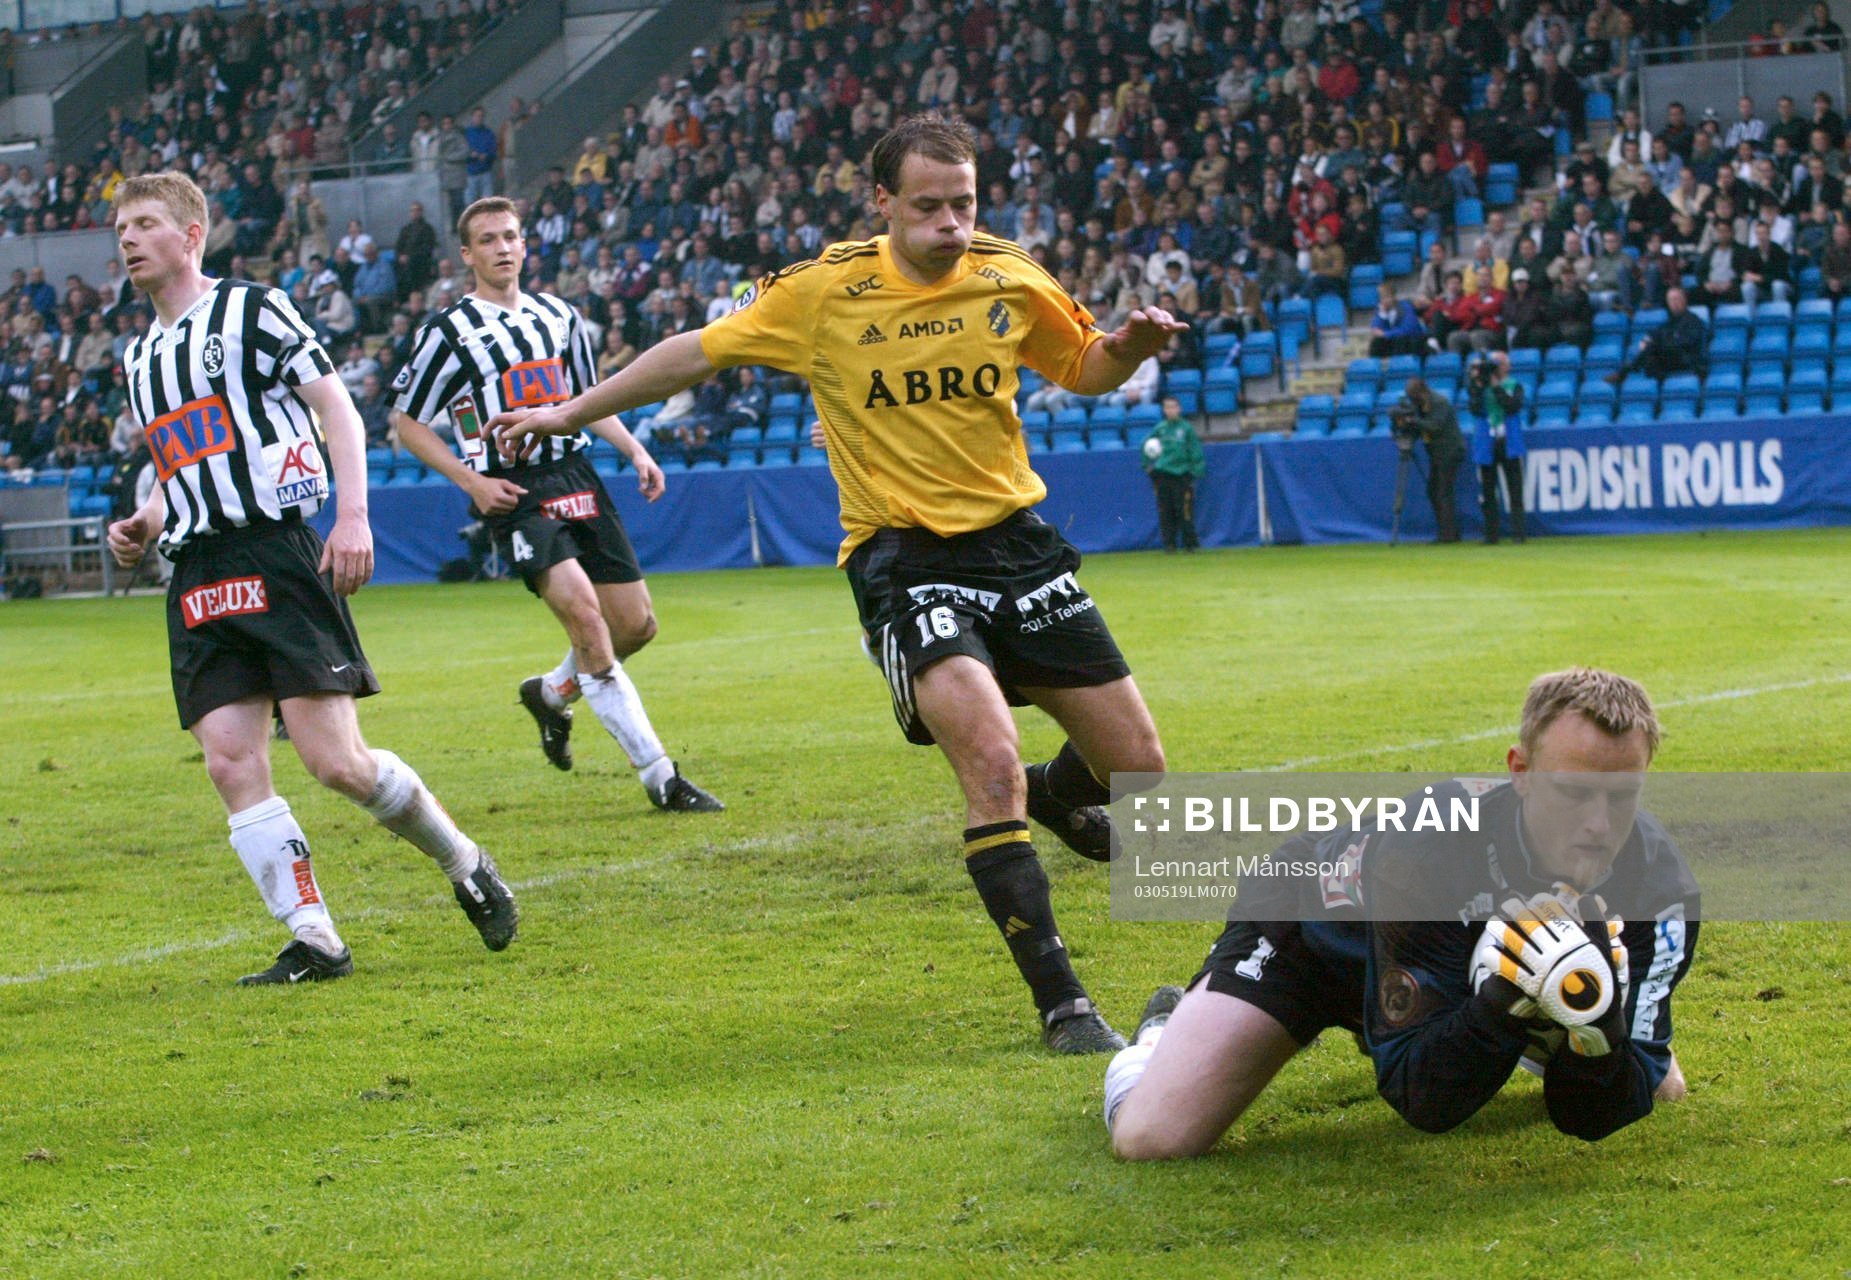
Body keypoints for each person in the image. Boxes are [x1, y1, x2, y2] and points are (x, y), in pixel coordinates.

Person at [492, 113, 1183, 1054]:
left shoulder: (1009, 273)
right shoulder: (823, 291)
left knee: (1138, 769)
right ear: (883, 202)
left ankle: (1057, 796)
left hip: (1017, 545)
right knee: (988, 766)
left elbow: (1083, 366)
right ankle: (1063, 1004)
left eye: (964, 204)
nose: (950, 224)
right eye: (929, 207)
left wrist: (1129, 348)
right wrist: (569, 411)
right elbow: (695, 351)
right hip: (905, 560)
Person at [103, 172, 517, 985]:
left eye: (145, 223)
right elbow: (178, 457)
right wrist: (147, 519)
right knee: (230, 762)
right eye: (121, 228)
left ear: (192, 235)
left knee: (336, 762)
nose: (127, 239)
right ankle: (315, 937)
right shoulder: (141, 354)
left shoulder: (253, 310)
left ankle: (464, 860)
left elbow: (335, 409)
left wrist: (352, 517)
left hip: (275, 552)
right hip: (197, 569)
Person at [1104, 667, 1698, 1159]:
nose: (1598, 824)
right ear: (1520, 772)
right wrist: (1503, 1002)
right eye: (1574, 792)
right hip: (1313, 941)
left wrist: (1600, 1030)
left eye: (1622, 796)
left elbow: (1596, 1115)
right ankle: (1159, 1036)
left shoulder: (1660, 889)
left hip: (1451, 965)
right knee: (1152, 1138)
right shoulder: (1428, 847)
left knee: (1654, 1084)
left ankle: (1540, 1000)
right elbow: (1420, 1094)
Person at [390, 197, 723, 814]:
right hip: (514, 490)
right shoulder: (447, 332)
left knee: (636, 626)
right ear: (467, 255)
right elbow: (406, 424)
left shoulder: (559, 316)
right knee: (589, 624)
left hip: (576, 472)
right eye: (487, 240)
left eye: (510, 236)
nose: (502, 248)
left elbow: (587, 399)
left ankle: (549, 694)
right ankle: (661, 777)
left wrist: (635, 450)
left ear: (525, 244)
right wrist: (471, 483)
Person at [1394, 377, 1466, 543]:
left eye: (1414, 397)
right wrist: (1404, 425)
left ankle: (1448, 534)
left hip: (1450, 450)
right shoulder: (1419, 406)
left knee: (1443, 491)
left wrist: (1413, 420)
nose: (1413, 401)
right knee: (1434, 491)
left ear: (1423, 392)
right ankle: (1449, 531)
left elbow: (1435, 426)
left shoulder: (1439, 402)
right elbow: (1419, 429)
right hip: (1436, 453)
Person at [1470, 351, 1528, 544]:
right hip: (1486, 441)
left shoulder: (1514, 385)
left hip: (1508, 440)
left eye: (1501, 363)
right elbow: (1474, 408)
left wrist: (1496, 387)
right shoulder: (1480, 386)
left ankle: (1518, 533)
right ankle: (1491, 534)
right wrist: (1477, 383)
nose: (1498, 367)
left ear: (1507, 366)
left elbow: (1512, 406)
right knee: (1488, 490)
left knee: (1515, 489)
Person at [1141, 396, 1205, 553]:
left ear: (1179, 409)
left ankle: (1191, 544)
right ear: (1164, 410)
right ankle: (1169, 544)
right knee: (1165, 511)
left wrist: (1196, 471)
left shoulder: (1186, 428)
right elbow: (1145, 446)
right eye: (1167, 407)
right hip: (1163, 474)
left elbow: (1195, 450)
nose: (1170, 410)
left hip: (1182, 474)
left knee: (1184, 510)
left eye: (1173, 407)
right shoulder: (1160, 428)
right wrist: (1147, 466)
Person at [1606, 287, 1708, 383]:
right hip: (1671, 359)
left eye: (1676, 299)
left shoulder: (1693, 320)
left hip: (1687, 359)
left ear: (1684, 300)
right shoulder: (1670, 322)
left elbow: (1687, 342)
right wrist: (1647, 340)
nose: (1674, 303)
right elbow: (1656, 333)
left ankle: (1624, 373)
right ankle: (1654, 382)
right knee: (1650, 349)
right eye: (1671, 300)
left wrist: (1665, 342)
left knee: (1652, 347)